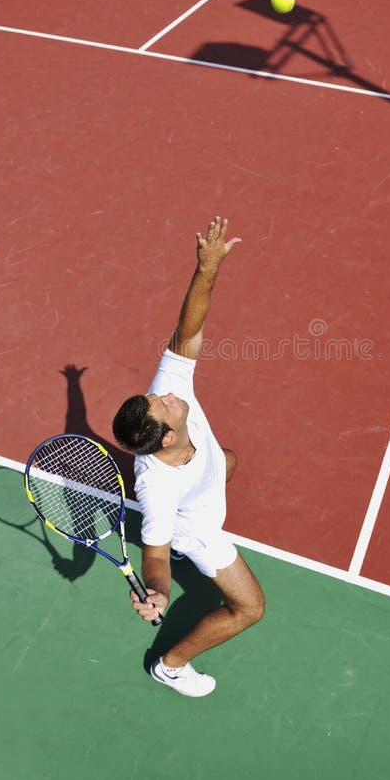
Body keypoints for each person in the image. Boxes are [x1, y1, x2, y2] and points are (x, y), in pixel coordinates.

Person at [112, 216, 264, 697]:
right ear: (163, 440)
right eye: (167, 406)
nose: (172, 396)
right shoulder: (156, 489)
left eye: (162, 397)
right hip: (194, 527)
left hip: (206, 469)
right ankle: (172, 665)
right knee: (250, 609)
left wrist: (208, 268)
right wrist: (158, 589)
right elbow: (153, 553)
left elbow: (188, 327)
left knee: (229, 460)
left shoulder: (166, 393)